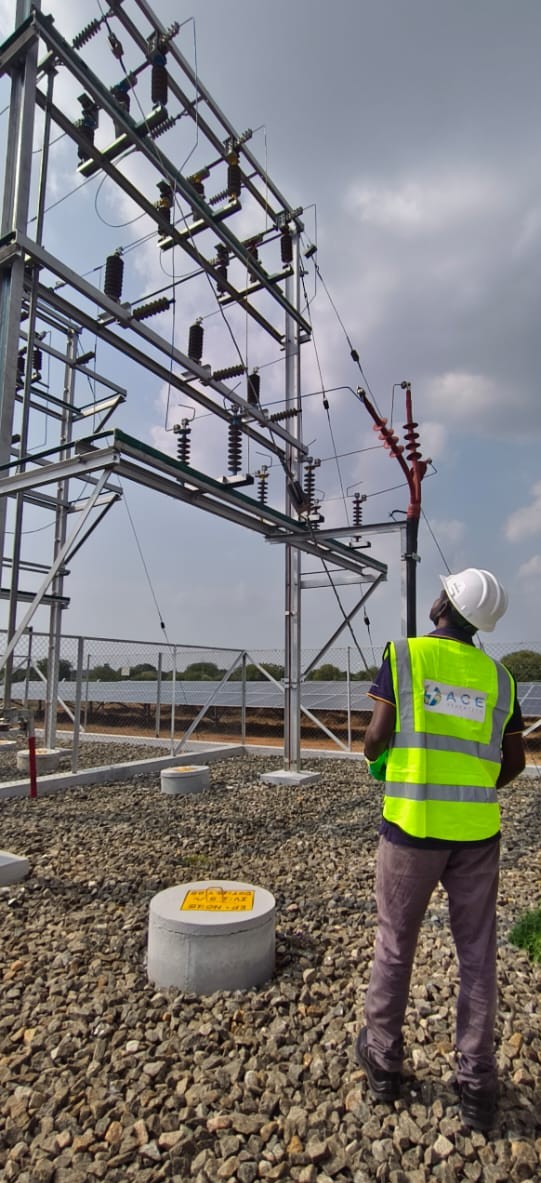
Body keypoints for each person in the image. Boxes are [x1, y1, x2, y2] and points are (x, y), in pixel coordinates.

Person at [355, 568, 526, 1132]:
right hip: (477, 833)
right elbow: (515, 762)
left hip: (412, 826)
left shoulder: (406, 655)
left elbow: (376, 737)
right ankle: (477, 1083)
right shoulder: (500, 678)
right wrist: (473, 786)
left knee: (395, 943)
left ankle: (384, 1060)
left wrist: (375, 756)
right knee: (477, 953)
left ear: (444, 605)